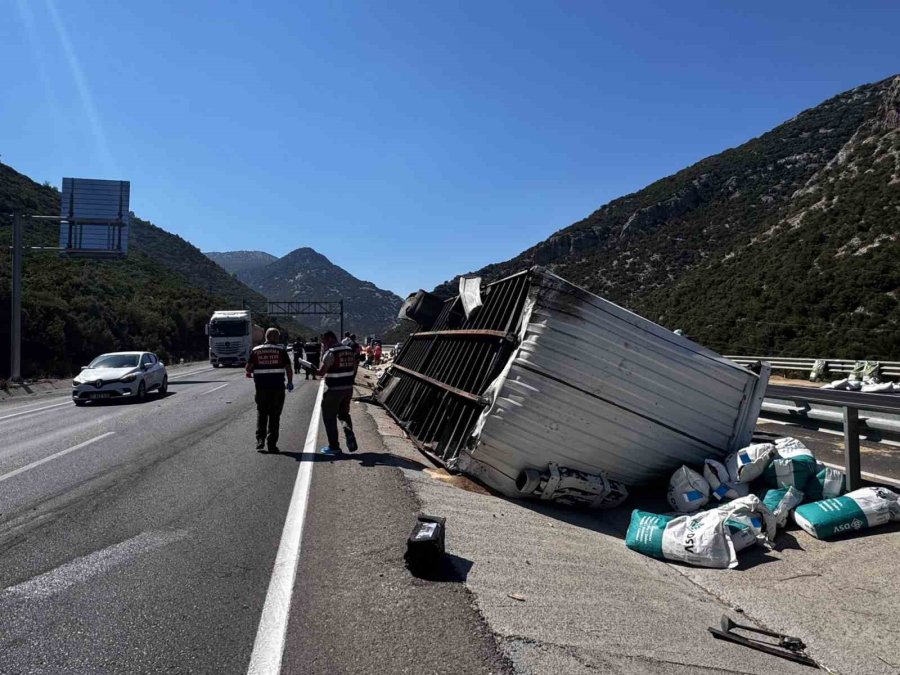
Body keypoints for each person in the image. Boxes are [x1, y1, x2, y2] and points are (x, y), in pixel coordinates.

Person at [246, 327, 293, 452]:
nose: (278, 339)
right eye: (277, 336)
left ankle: (260, 441)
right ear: (273, 337)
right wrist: (290, 382)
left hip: (261, 388)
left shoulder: (256, 350)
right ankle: (272, 445)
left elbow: (248, 368)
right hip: (277, 388)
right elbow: (288, 369)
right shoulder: (281, 350)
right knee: (274, 416)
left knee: (262, 414)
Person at [313, 330, 358, 455]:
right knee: (344, 414)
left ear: (328, 339)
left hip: (334, 390)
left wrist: (311, 369)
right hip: (348, 389)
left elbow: (321, 373)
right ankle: (348, 431)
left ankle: (334, 446)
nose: (323, 344)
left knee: (329, 417)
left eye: (323, 342)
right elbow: (355, 367)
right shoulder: (349, 350)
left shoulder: (330, 353)